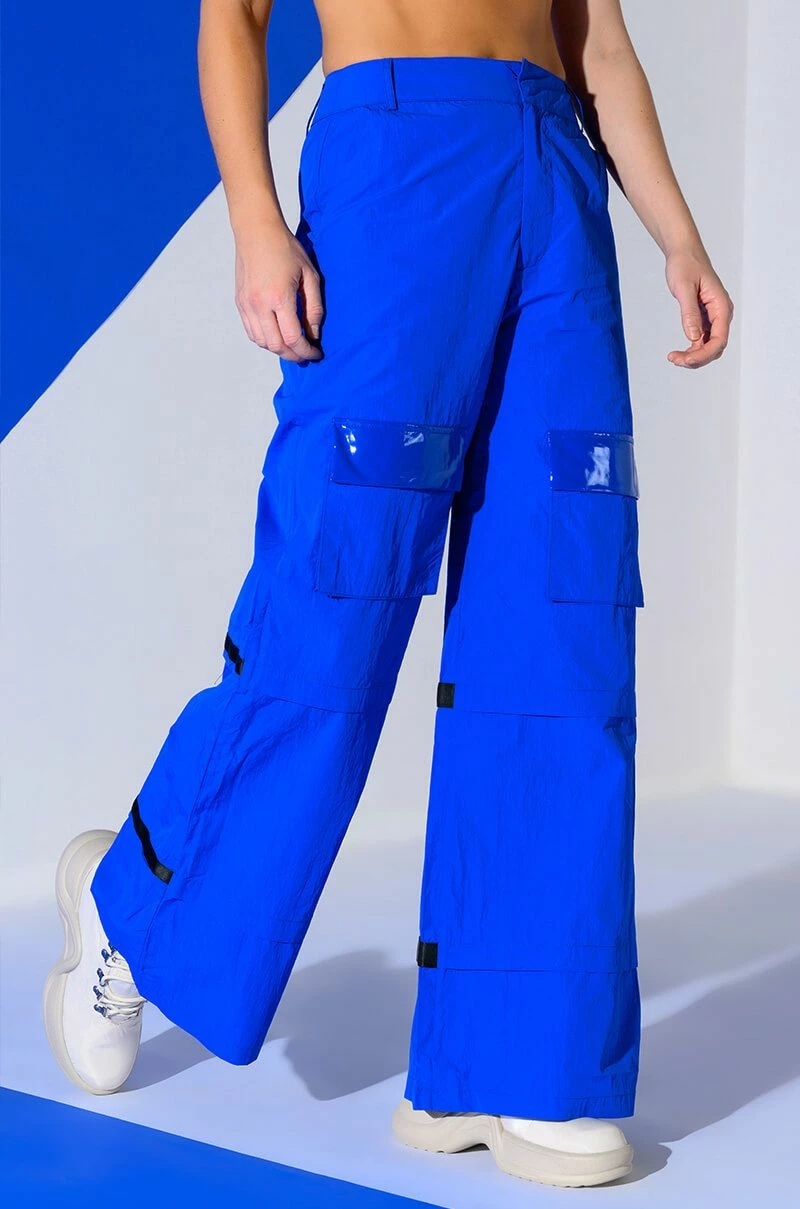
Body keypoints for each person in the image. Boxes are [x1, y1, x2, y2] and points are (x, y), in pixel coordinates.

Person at [43, 0, 732, 1189]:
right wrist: (256, 224)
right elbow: (233, 16)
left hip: (554, 171)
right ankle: (141, 899)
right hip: (393, 159)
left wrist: (675, 234)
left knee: (560, 614)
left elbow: (596, 43)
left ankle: (513, 1068)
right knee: (337, 600)